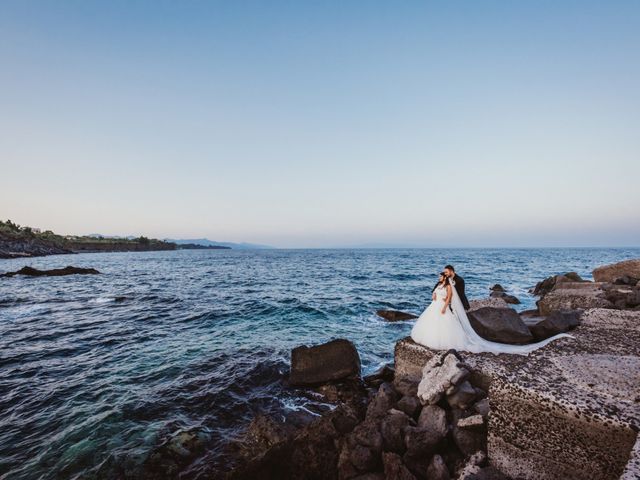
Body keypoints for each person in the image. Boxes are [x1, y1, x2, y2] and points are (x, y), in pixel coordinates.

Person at [413, 271, 572, 355]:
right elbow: (435, 293)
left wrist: (443, 307)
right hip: (434, 306)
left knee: (445, 325)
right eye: (441, 276)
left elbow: (448, 298)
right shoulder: (439, 285)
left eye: (442, 276)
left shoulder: (448, 287)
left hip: (441, 307)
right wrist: (435, 296)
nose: (440, 277)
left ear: (445, 278)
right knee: (433, 324)